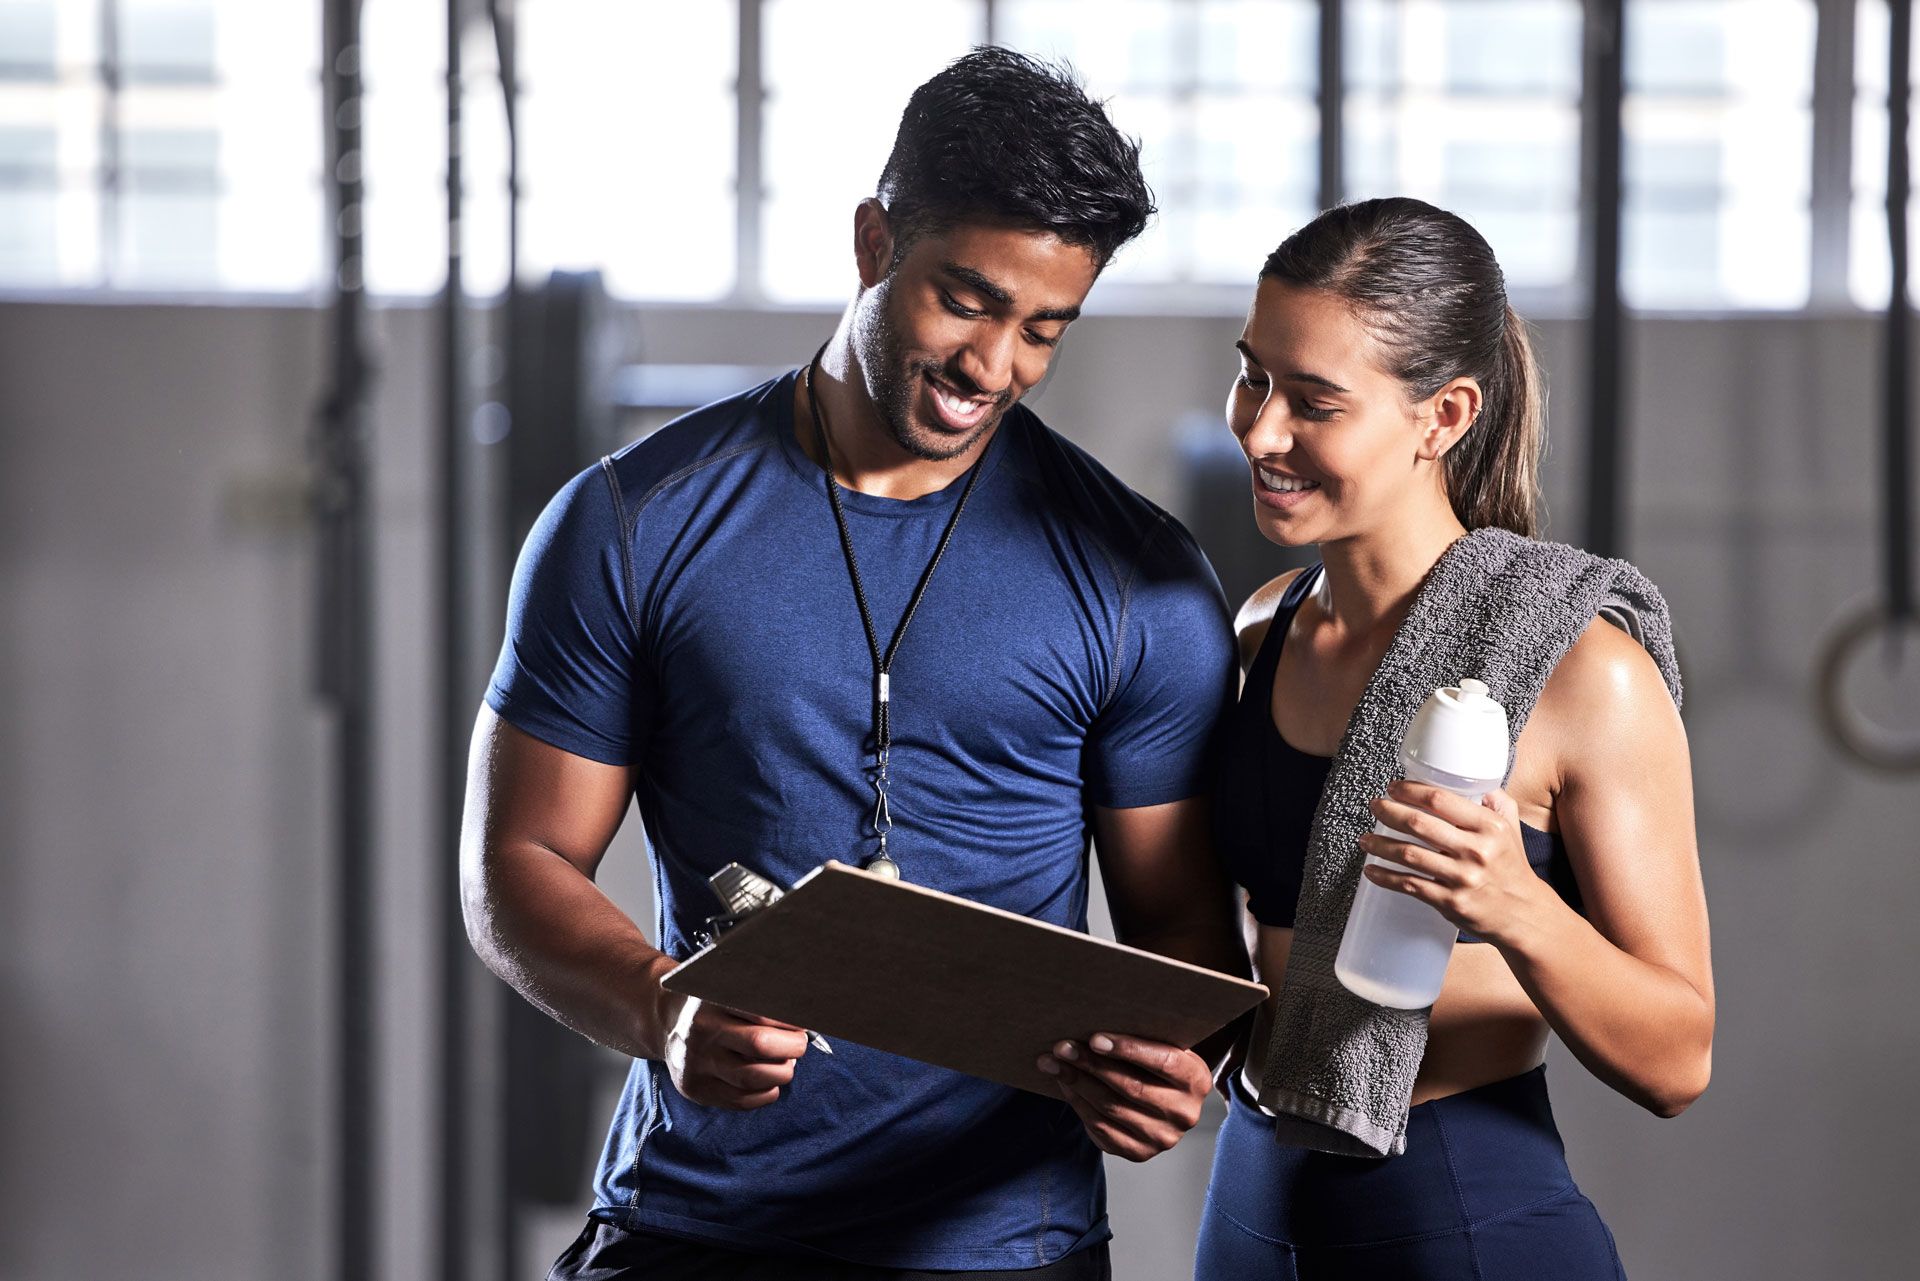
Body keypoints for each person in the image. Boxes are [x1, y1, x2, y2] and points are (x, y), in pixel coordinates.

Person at [463, 48, 1249, 1281]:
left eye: (1045, 329)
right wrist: (666, 1010)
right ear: (876, 241)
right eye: (969, 302)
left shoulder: (1139, 580)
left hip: (1003, 1249)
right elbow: (517, 863)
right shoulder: (631, 522)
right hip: (692, 1229)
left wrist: (1167, 1068)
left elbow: (1185, 953)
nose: (995, 366)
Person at [1195, 198, 1715, 1278]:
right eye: (1254, 376)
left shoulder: (1584, 673)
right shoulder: (1264, 628)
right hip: (1250, 1197)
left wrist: (1515, 905)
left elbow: (1678, 1056)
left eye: (1315, 401)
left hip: (1459, 1210)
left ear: (1443, 417)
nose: (1260, 431)